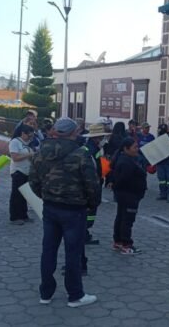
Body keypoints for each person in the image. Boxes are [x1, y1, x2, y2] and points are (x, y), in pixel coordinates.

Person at [29, 117, 100, 307]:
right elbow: (92, 185)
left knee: (48, 250)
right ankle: (75, 295)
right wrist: (92, 205)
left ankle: (46, 293)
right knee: (73, 253)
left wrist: (45, 196)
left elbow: (33, 181)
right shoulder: (80, 154)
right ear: (73, 133)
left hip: (50, 208)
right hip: (74, 210)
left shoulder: (40, 151)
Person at [109, 138, 148, 255]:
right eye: (134, 147)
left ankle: (118, 241)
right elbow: (123, 180)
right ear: (126, 149)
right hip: (129, 195)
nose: (137, 149)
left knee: (121, 217)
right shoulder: (126, 162)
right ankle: (126, 244)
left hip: (125, 194)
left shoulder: (127, 159)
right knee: (127, 220)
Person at [8, 124, 36, 225]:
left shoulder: (27, 143)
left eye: (32, 136)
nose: (30, 138)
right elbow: (15, 158)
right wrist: (29, 154)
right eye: (29, 135)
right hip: (18, 171)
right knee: (16, 195)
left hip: (27, 171)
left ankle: (24, 215)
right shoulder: (15, 142)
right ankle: (15, 217)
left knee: (25, 194)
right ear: (23, 133)